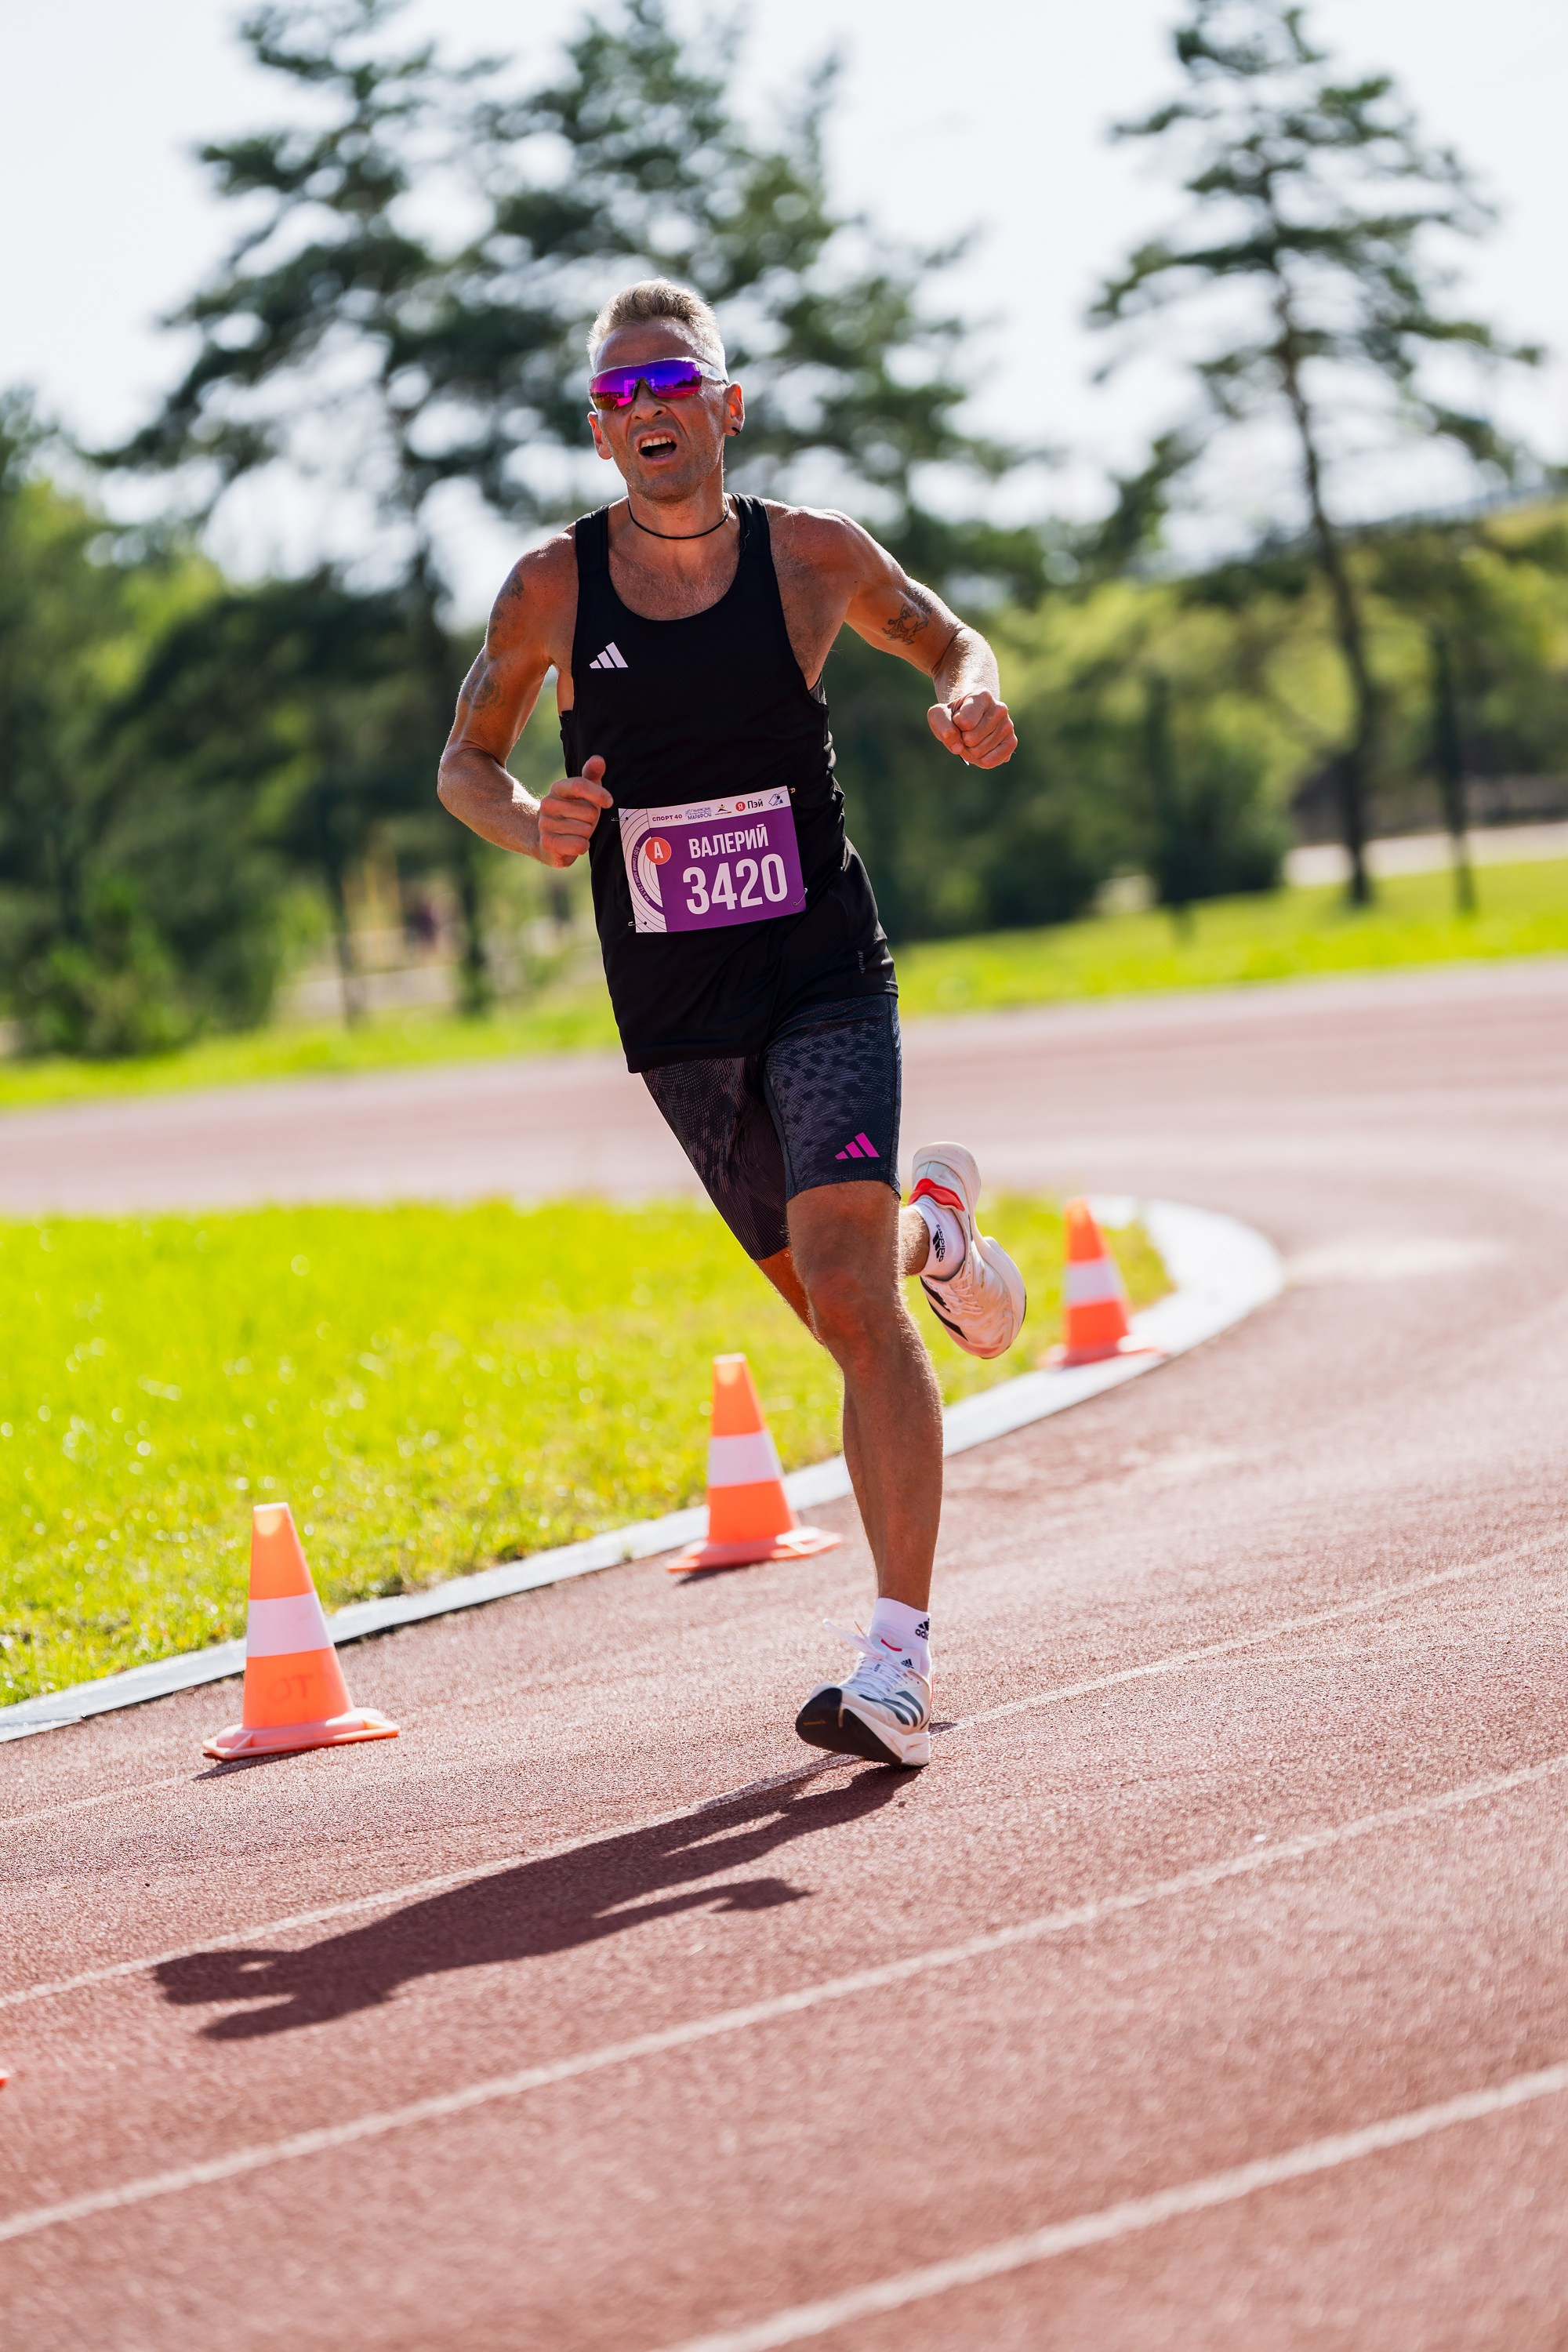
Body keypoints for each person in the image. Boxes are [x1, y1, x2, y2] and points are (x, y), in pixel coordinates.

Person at [437, 278, 1024, 1769]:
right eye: (619, 396)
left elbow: (950, 637)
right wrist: (532, 824)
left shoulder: (811, 556)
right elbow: (466, 762)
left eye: (672, 384)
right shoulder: (549, 592)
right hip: (677, 1012)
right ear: (596, 431)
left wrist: (973, 697)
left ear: (726, 405)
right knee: (846, 1310)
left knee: (845, 1279)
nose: (648, 412)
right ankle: (938, 1231)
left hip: (821, 968)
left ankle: (893, 1664)